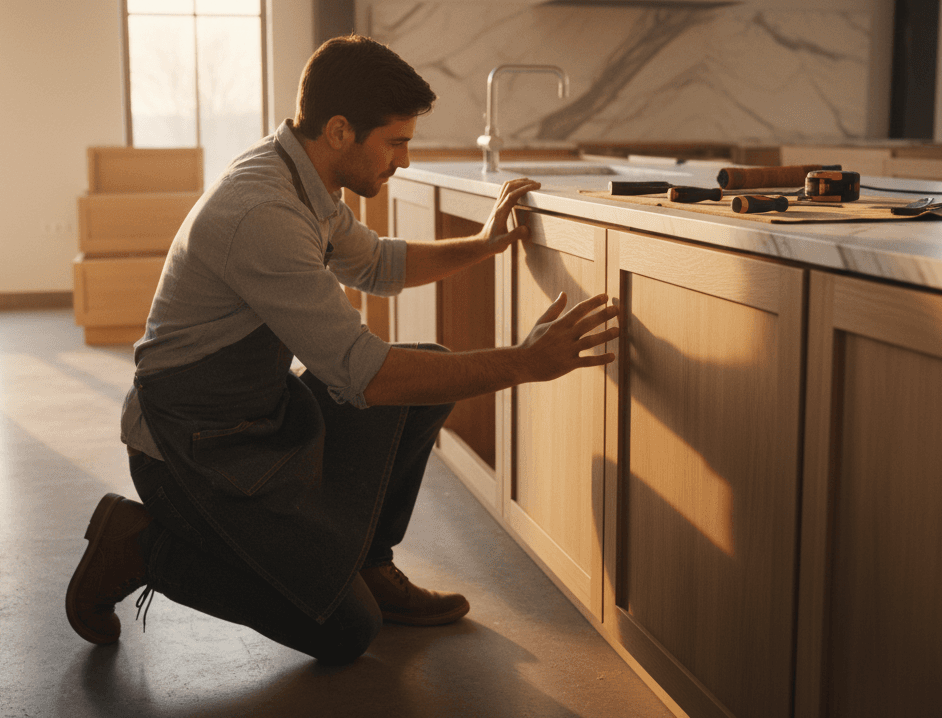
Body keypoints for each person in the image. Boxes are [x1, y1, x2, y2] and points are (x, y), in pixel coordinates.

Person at [64, 35, 619, 664]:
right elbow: (367, 375)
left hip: (253, 417)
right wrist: (522, 363)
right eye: (395, 142)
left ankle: (369, 563)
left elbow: (377, 263)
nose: (403, 161)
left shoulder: (304, 179)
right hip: (188, 449)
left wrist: (483, 245)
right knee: (346, 630)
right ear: (338, 131)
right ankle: (137, 545)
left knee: (423, 381)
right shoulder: (264, 211)